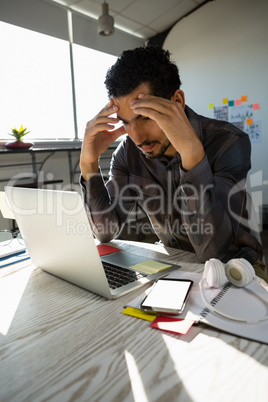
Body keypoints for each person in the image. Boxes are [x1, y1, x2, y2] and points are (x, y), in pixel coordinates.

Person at [80, 45, 267, 282]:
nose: (136, 137)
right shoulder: (127, 152)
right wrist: (89, 166)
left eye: (145, 117)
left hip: (238, 267)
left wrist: (191, 154)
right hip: (175, 262)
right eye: (126, 123)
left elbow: (213, 253)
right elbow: (105, 233)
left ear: (177, 101)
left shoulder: (228, 141)